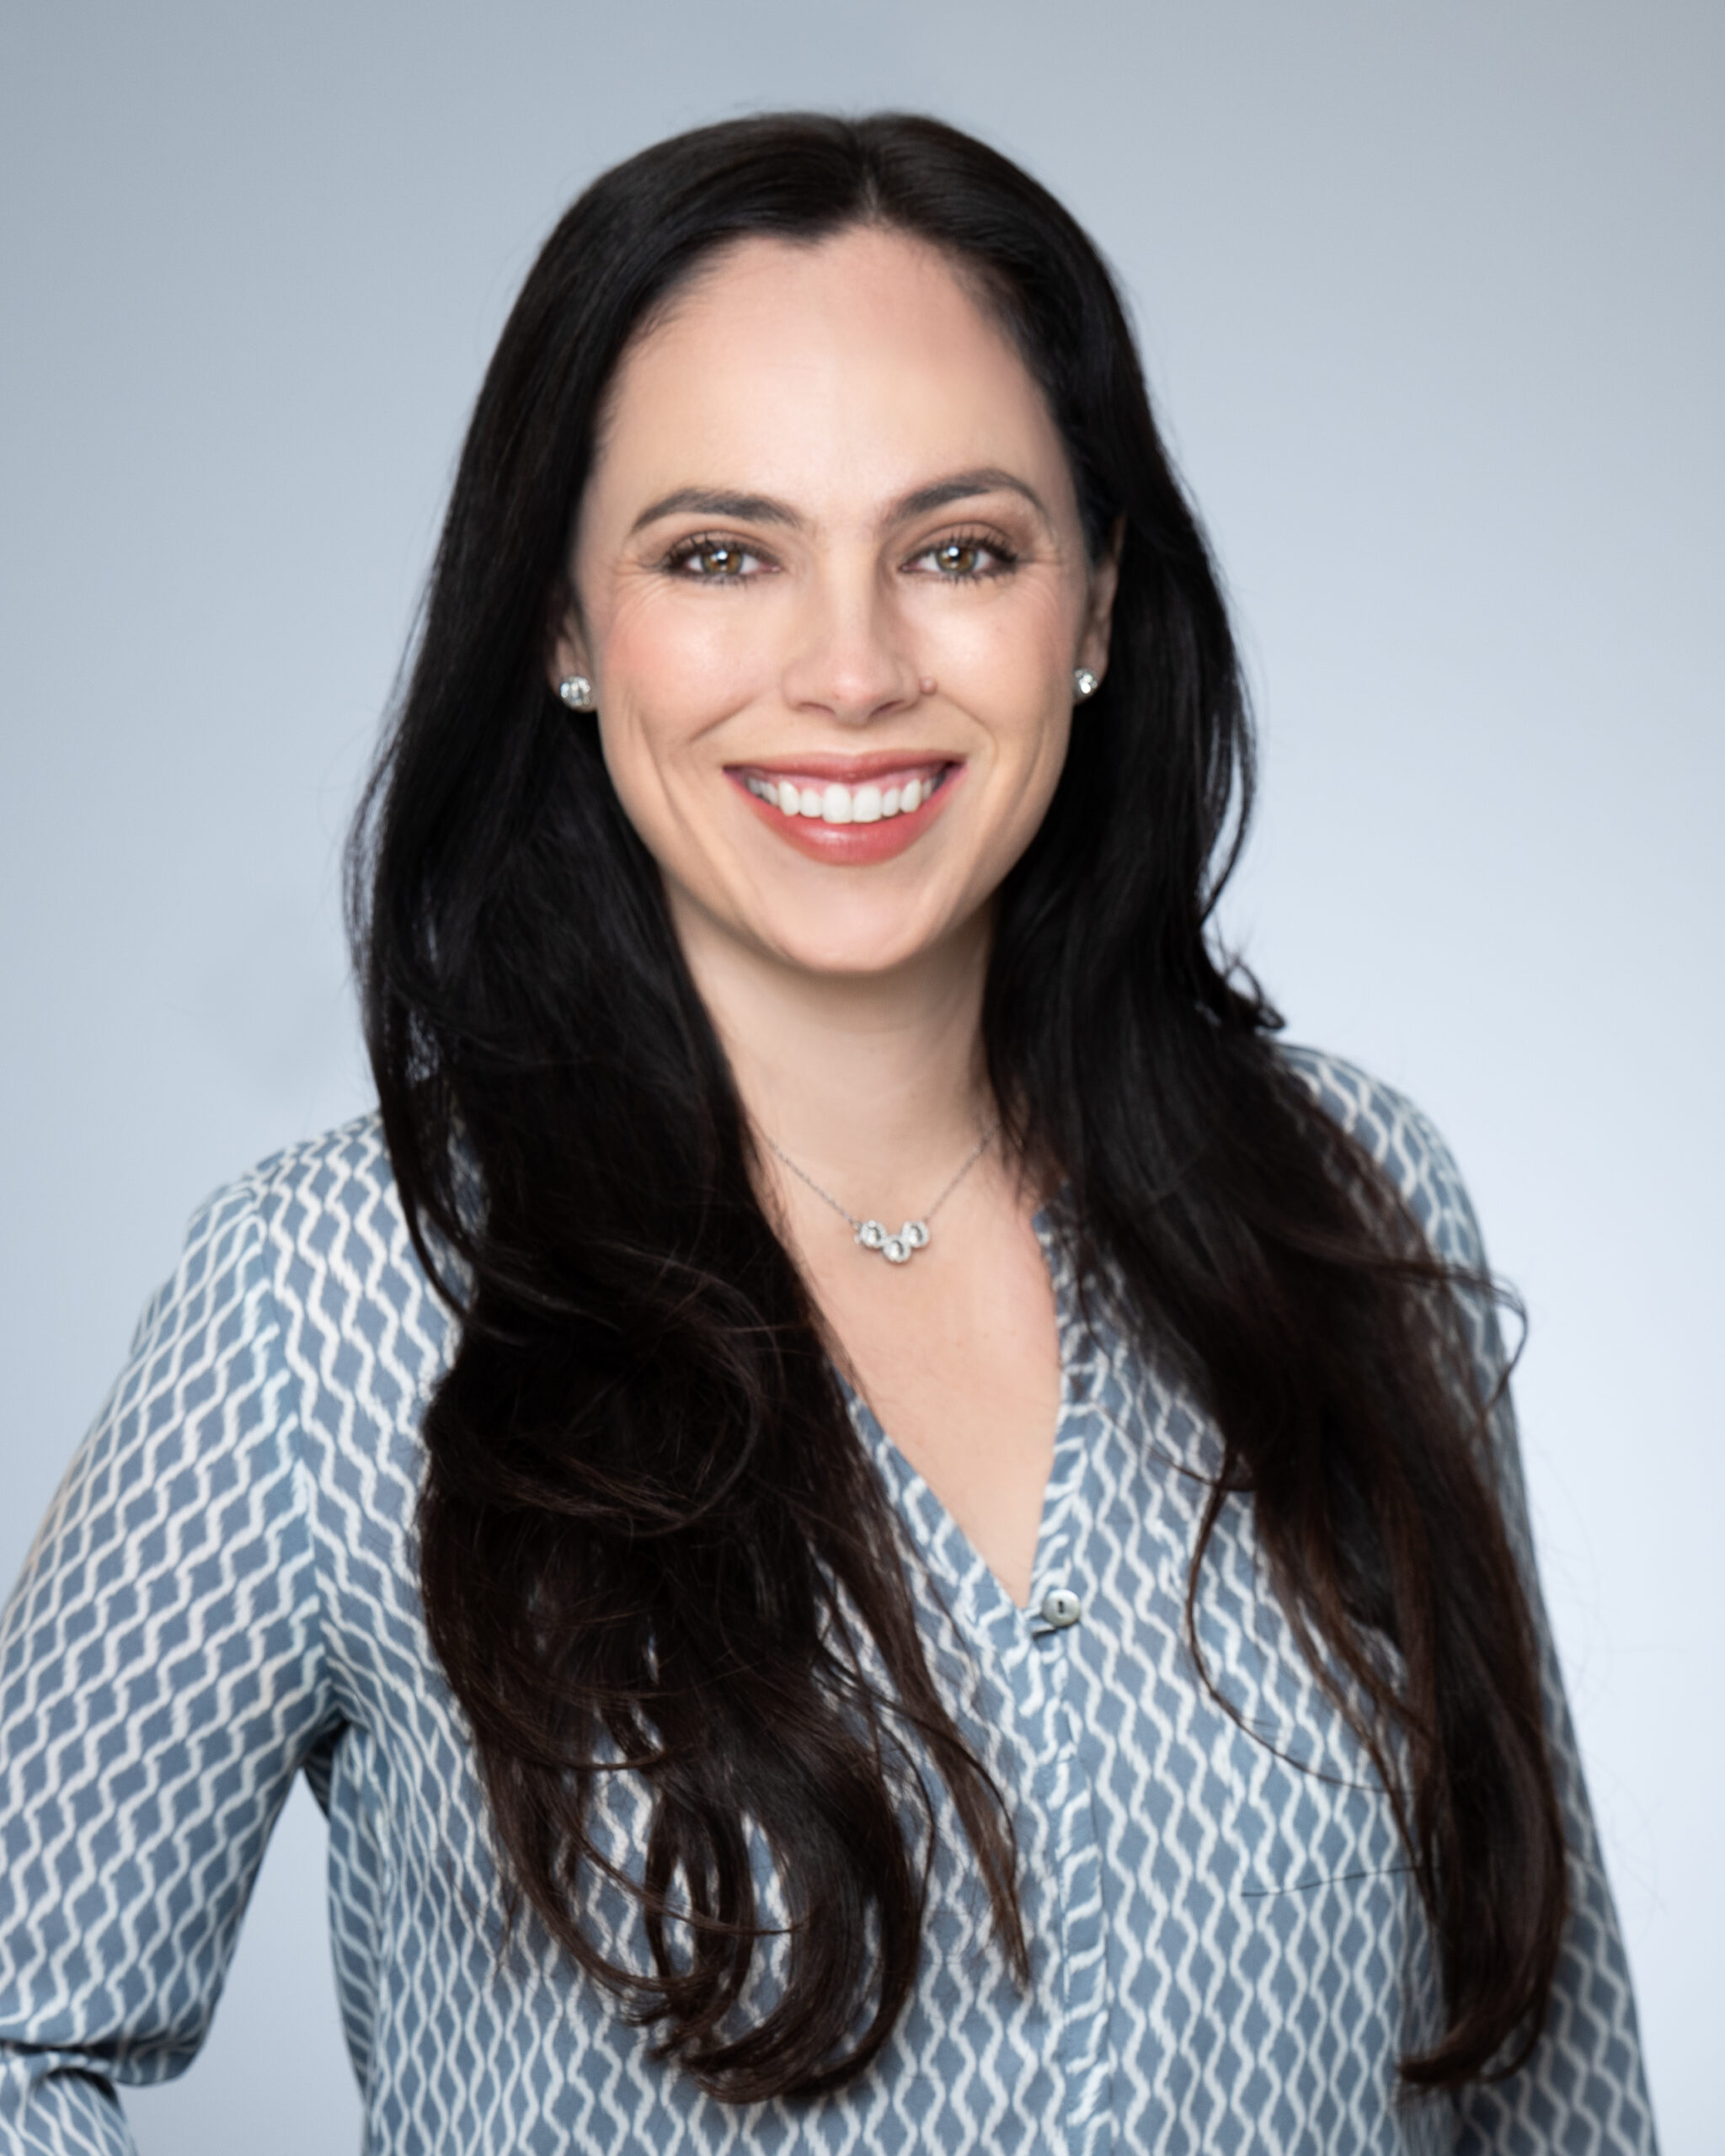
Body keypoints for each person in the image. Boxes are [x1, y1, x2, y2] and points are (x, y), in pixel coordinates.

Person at [0, 112, 1656, 2154]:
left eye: (958, 549)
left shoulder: (1344, 1201)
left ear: (1098, 607)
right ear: (566, 627)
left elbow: (1540, 2067)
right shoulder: (337, 1298)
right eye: (720, 554)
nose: (854, 670)